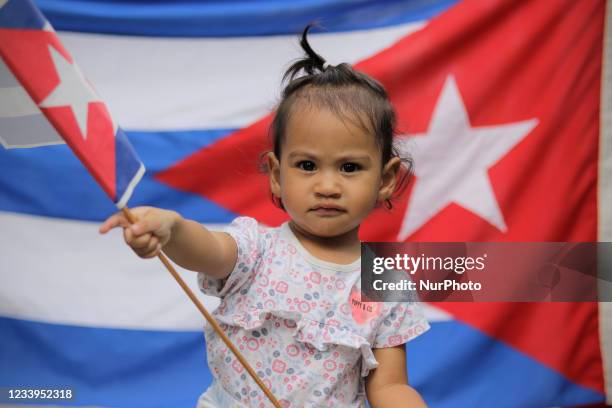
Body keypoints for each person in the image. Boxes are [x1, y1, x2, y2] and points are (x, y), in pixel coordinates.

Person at [99, 25, 430, 408]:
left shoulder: (384, 284)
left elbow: (389, 386)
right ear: (276, 175)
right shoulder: (256, 250)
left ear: (386, 179)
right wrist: (172, 229)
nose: (327, 185)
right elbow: (207, 250)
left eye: (350, 167)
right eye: (307, 165)